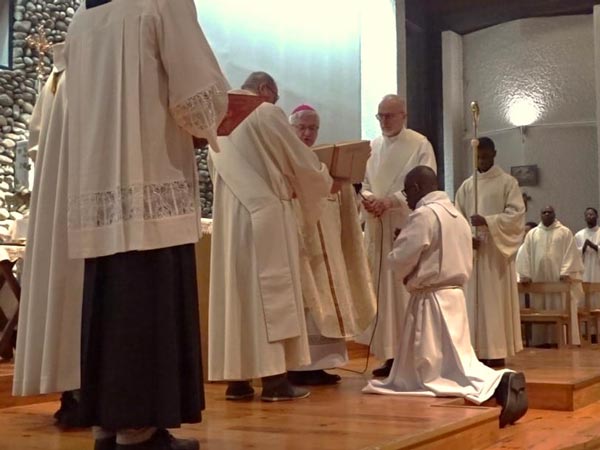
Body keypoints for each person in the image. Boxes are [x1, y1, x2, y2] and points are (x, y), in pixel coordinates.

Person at [64, 1, 230, 449]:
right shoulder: (161, 2)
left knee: (109, 300)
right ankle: (140, 430)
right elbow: (196, 95)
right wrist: (214, 115)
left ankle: (107, 423)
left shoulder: (84, 18)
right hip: (151, 176)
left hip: (99, 185)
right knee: (147, 305)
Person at [362, 166, 528, 428]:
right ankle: (499, 384)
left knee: (429, 373)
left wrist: (398, 244)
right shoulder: (456, 216)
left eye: (407, 192)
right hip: (454, 297)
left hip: (430, 301)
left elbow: (402, 258)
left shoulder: (424, 214)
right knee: (457, 363)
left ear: (417, 188)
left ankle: (500, 382)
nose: (407, 199)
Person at [208, 73, 336, 400]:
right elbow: (299, 160)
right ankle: (275, 381)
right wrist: (324, 177)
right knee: (271, 298)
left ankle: (238, 382)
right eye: (275, 96)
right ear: (265, 90)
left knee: (237, 297)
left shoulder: (217, 118)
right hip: (266, 217)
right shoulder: (264, 112)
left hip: (229, 222)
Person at [13, 43, 85, 428]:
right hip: (82, 198)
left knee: (61, 294)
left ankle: (69, 394)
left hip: (54, 200)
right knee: (79, 296)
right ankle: (83, 393)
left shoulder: (54, 83)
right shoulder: (87, 75)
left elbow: (36, 142)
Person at [286, 104, 376, 386]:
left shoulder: (324, 163)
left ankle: (321, 365)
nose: (308, 133)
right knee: (308, 305)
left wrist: (343, 184)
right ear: (291, 128)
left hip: (330, 246)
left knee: (329, 299)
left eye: (313, 128)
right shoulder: (285, 161)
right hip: (303, 248)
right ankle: (298, 367)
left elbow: (343, 204)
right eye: (302, 127)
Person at [358, 94, 436, 378]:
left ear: (404, 115)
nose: (384, 121)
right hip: (378, 228)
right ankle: (390, 354)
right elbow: (365, 182)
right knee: (383, 294)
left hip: (404, 225)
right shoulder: (372, 147)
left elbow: (426, 182)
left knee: (402, 293)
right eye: (380, 116)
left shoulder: (419, 144)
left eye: (389, 115)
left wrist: (390, 201)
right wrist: (369, 199)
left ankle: (412, 355)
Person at [454, 137, 525, 367]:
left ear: (495, 154)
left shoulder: (508, 183)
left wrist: (489, 221)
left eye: (486, 156)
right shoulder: (467, 186)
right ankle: (473, 349)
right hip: (473, 254)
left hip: (496, 254)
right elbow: (457, 218)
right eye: (478, 157)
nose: (482, 160)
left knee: (494, 302)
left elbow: (516, 215)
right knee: (473, 301)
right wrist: (467, 237)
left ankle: (495, 350)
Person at [517, 206, 584, 346]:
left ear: (554, 214)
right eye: (544, 212)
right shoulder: (532, 234)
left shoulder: (565, 232)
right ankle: (542, 341)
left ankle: (562, 340)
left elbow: (571, 254)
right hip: (539, 279)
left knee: (560, 304)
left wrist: (566, 272)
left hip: (559, 281)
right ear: (540, 215)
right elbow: (525, 255)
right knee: (540, 305)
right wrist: (525, 274)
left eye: (549, 212)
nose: (547, 214)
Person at [575, 208, 600, 309]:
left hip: (597, 268)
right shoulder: (579, 235)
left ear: (597, 216)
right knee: (583, 295)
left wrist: (595, 247)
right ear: (584, 218)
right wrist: (583, 248)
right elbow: (574, 254)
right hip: (584, 269)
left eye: (592, 214)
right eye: (587, 215)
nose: (589, 216)